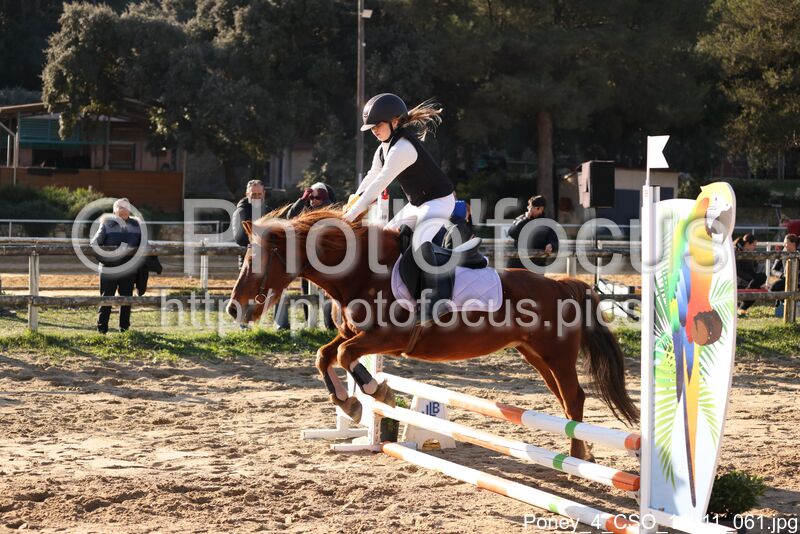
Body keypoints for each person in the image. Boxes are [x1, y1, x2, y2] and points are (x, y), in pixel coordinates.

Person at [344, 93, 456, 325]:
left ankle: (436, 300)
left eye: (377, 125)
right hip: (417, 204)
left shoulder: (403, 147)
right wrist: (352, 203)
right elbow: (371, 176)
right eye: (372, 127)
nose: (374, 130)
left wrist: (351, 216)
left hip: (440, 201)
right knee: (388, 237)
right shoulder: (383, 149)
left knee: (420, 241)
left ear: (395, 121)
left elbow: (380, 183)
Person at [231, 179, 289, 329]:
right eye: (253, 194)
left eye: (259, 194)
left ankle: (281, 325)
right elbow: (240, 238)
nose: (256, 197)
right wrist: (262, 240)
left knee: (279, 288)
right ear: (247, 194)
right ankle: (245, 325)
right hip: (249, 259)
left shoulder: (269, 210)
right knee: (247, 291)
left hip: (270, 260)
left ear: (264, 194)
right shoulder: (240, 212)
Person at [288, 182, 337, 329]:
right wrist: (302, 200)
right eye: (311, 197)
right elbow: (290, 216)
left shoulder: (332, 209)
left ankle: (330, 324)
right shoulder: (305, 210)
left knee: (329, 292)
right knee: (306, 289)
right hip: (308, 260)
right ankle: (309, 321)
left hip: (327, 259)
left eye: (317, 197)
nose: (313, 200)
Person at [91, 198, 142, 334]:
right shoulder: (107, 224)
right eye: (121, 207)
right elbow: (94, 244)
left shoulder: (137, 226)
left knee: (126, 299)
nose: (124, 210)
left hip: (129, 270)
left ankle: (124, 331)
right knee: (106, 299)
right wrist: (107, 261)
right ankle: (102, 331)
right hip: (109, 269)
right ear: (114, 210)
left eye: (126, 207)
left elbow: (144, 245)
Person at [506, 195, 558, 270]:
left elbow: (555, 240)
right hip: (517, 263)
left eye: (532, 207)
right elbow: (511, 233)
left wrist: (551, 245)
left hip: (536, 264)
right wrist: (525, 219)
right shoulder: (521, 218)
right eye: (529, 207)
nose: (529, 209)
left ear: (540, 209)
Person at [734, 233, 766, 316]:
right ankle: (742, 309)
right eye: (753, 245)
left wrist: (756, 280)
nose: (755, 247)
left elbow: (754, 268)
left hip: (749, 280)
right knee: (755, 288)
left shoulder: (751, 253)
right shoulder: (736, 251)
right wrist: (752, 280)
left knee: (763, 276)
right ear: (747, 244)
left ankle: (741, 309)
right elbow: (738, 271)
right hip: (738, 281)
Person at [770, 233, 798, 315]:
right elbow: (773, 270)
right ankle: (783, 303)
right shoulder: (782, 253)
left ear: (793, 243)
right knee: (773, 288)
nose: (784, 245)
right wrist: (782, 275)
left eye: (786, 243)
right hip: (786, 279)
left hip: (798, 280)